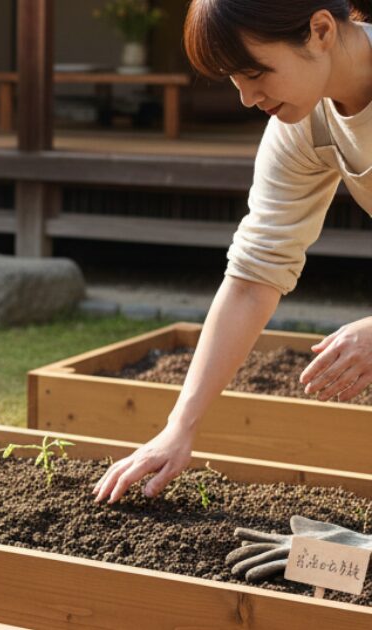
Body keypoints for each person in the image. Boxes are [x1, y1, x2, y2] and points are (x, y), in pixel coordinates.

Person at [93, 0, 372, 504]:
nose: (245, 97)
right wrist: (179, 427)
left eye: (254, 71)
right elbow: (253, 276)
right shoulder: (302, 126)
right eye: (232, 78)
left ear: (321, 31)